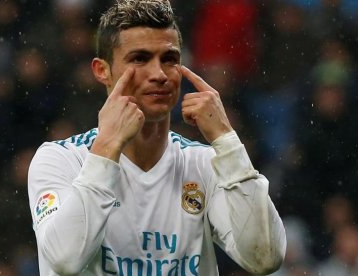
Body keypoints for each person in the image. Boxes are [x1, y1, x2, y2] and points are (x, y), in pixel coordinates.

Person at [27, 0, 286, 275]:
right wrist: (106, 148)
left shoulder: (205, 164)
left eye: (169, 59)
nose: (159, 74)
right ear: (102, 70)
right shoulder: (59, 160)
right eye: (139, 59)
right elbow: (65, 260)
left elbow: (265, 258)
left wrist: (227, 140)